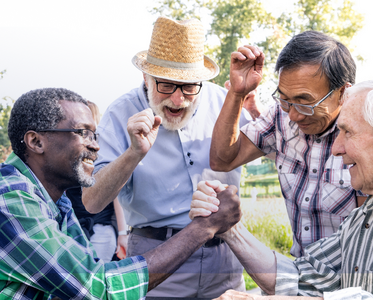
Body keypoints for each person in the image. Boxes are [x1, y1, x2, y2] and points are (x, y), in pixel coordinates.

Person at [193, 79, 373, 299]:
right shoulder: (367, 215)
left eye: (347, 132)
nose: (337, 149)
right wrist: (229, 227)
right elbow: (301, 278)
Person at [0, 87, 241, 299]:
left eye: (94, 134)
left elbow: (77, 282)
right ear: (36, 142)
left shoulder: (56, 201)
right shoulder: (10, 200)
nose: (95, 146)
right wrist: (203, 228)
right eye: (82, 132)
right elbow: (97, 287)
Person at [81, 16, 261, 298]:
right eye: (166, 85)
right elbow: (91, 202)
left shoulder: (225, 102)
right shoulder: (120, 112)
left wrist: (257, 111)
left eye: (189, 87)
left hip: (224, 259)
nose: (178, 100)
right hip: (158, 261)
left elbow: (275, 145)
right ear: (145, 77)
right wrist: (133, 154)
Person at [209, 31, 365, 258]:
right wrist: (237, 93)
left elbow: (369, 239)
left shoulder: (366, 137)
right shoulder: (279, 118)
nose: (293, 116)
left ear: (343, 92)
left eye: (305, 103)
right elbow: (222, 160)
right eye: (284, 99)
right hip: (300, 275)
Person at [66, 101, 129, 262]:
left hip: (99, 227)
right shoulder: (71, 152)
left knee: (95, 280)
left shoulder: (101, 152)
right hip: (73, 227)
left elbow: (117, 195)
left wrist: (123, 233)